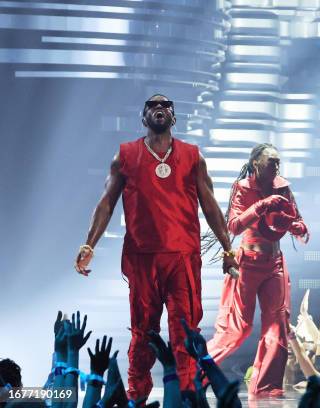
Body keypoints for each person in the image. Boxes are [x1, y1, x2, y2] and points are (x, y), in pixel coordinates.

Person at [74, 94, 238, 401]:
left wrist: (228, 252)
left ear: (174, 118)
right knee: (143, 334)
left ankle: (188, 398)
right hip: (142, 259)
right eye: (152, 106)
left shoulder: (192, 156)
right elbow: (106, 203)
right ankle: (137, 398)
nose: (159, 108)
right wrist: (89, 243)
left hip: (182, 258)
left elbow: (211, 207)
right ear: (143, 117)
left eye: (165, 106)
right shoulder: (125, 155)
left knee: (185, 334)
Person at [203, 143, 309, 398]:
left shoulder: (283, 185)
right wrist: (262, 206)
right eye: (271, 161)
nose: (276, 166)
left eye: (278, 162)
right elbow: (234, 226)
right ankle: (196, 372)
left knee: (277, 326)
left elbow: (302, 226)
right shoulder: (242, 187)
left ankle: (266, 387)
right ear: (256, 164)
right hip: (247, 264)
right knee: (237, 329)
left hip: (274, 264)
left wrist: (296, 227)